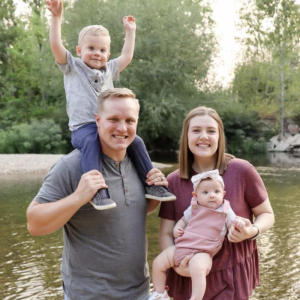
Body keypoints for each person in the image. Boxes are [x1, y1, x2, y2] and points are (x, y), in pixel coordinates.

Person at [26, 88, 166, 300]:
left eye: (129, 120)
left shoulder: (140, 164)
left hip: (140, 292)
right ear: (97, 120)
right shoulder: (71, 166)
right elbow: (34, 225)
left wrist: (154, 196)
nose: (122, 128)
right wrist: (77, 198)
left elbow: (132, 213)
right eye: (114, 119)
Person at [46, 0, 176, 210]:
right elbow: (55, 46)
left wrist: (130, 31)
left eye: (102, 49)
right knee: (91, 142)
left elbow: (127, 56)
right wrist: (56, 17)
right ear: (79, 50)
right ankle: (98, 191)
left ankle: (152, 185)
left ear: (108, 53)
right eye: (91, 48)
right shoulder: (73, 67)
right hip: (84, 128)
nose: (97, 53)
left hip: (110, 125)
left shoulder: (110, 69)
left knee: (137, 142)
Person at [159, 106, 275, 300]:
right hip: (188, 277)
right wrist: (178, 264)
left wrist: (251, 231)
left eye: (211, 131)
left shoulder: (242, 171)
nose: (204, 136)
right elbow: (166, 233)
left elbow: (267, 214)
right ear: (186, 136)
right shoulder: (173, 181)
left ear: (219, 136)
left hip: (232, 275)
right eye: (196, 130)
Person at [150, 170, 245, 300]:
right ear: (195, 195)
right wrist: (177, 228)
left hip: (203, 251)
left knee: (198, 269)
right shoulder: (194, 207)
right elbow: (183, 220)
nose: (212, 195)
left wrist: (238, 224)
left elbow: (232, 225)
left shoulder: (225, 210)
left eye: (216, 192)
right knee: (158, 263)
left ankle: (195, 298)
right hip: (183, 245)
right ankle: (160, 293)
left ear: (223, 194)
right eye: (205, 192)